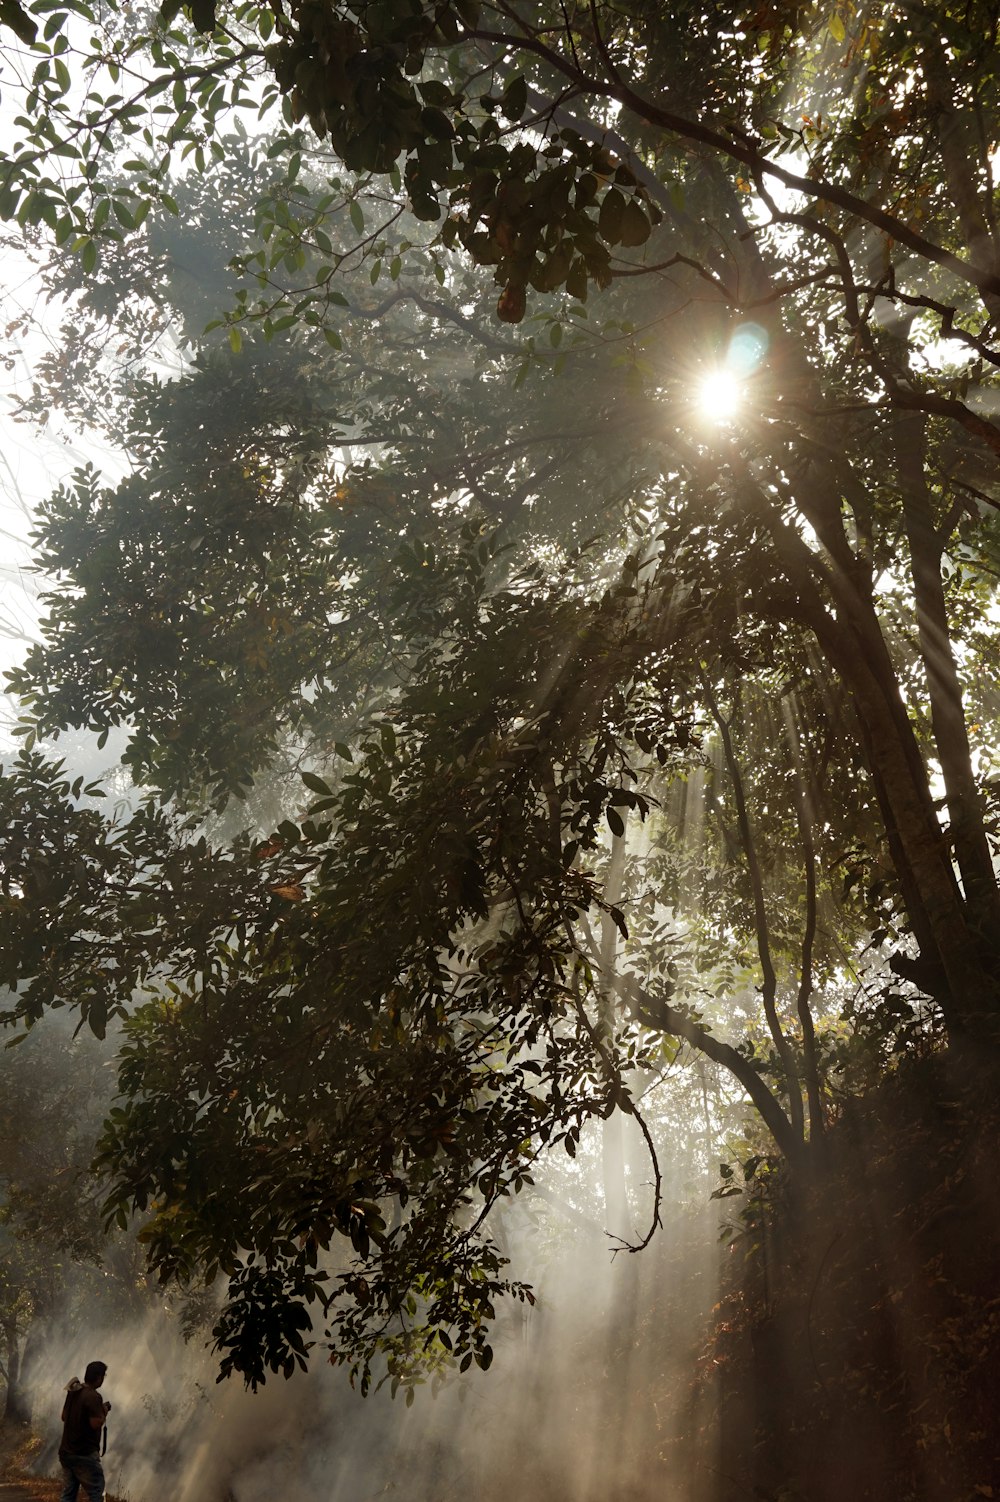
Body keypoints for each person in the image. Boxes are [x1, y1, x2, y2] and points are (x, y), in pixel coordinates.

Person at [58, 1360, 111, 1502]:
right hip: (84, 1454)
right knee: (96, 1493)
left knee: (68, 1494)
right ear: (99, 1377)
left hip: (66, 1452)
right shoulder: (94, 1396)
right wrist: (104, 1411)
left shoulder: (73, 1391)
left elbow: (64, 1416)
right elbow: (95, 1424)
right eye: (103, 1376)